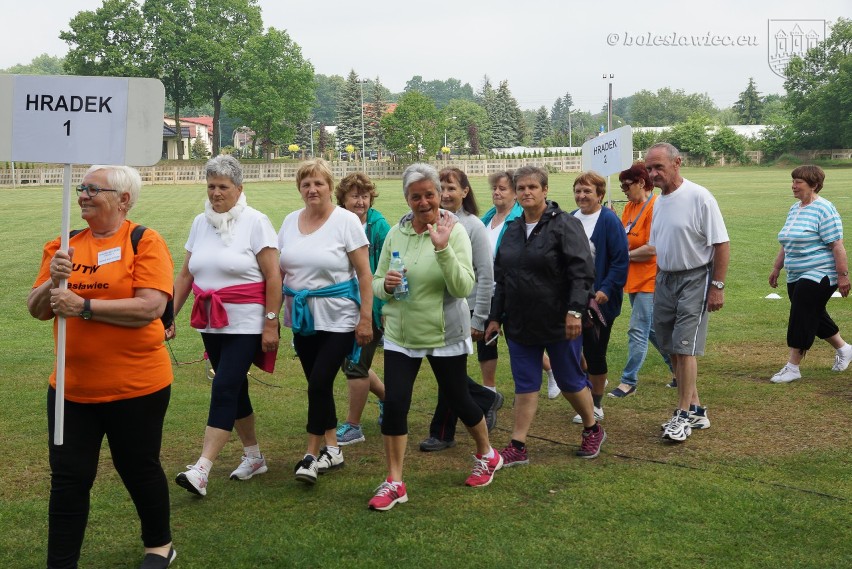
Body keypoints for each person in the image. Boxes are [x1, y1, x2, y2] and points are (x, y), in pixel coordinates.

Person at [28, 165, 176, 568]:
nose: (83, 195)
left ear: (123, 199)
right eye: (81, 188)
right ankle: (61, 562)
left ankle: (159, 545)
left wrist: (86, 307)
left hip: (137, 386)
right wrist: (50, 282)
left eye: (94, 189)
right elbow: (37, 309)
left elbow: (151, 307)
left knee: (138, 468)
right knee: (68, 479)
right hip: (71, 389)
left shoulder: (144, 241)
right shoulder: (62, 244)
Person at [368, 163, 502, 511]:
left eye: (430, 194)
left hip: (445, 331)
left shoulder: (453, 229)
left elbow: (463, 286)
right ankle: (395, 481)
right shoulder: (396, 233)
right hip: (401, 331)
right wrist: (386, 285)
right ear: (407, 199)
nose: (424, 201)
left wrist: (442, 249)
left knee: (459, 398)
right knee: (396, 402)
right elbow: (375, 282)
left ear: (440, 195)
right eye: (416, 196)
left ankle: (487, 454)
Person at [172, 155, 281, 497]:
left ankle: (202, 469)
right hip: (211, 322)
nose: (216, 193)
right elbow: (187, 274)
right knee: (236, 390)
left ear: (239, 188)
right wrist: (167, 316)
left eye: (222, 187)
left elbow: (273, 275)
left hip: (247, 323)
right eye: (211, 186)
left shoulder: (256, 222)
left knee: (224, 387)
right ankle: (254, 456)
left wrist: (271, 323)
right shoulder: (199, 223)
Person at [486, 166, 605, 467]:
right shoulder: (512, 230)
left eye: (532, 187)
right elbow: (502, 277)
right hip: (520, 322)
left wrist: (575, 311)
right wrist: (495, 316)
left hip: (560, 321)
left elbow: (582, 273)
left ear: (545, 190)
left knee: (568, 380)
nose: (527, 192)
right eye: (521, 188)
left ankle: (592, 427)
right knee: (525, 383)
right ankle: (517, 444)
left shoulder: (564, 225)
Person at [279, 159, 373, 484]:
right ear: (299, 189)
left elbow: (364, 273)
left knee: (319, 382)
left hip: (339, 318)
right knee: (318, 386)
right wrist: (269, 318)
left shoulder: (346, 221)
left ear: (329, 186)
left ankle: (310, 454)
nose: (312, 189)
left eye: (318, 183)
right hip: (303, 319)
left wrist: (365, 319)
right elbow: (280, 271)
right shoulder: (290, 222)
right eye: (306, 184)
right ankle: (334, 448)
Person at [645, 143, 730, 442]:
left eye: (659, 167)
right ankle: (696, 409)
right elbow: (659, 246)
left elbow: (721, 244)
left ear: (677, 162)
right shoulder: (658, 202)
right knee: (671, 347)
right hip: (665, 280)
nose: (653, 173)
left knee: (685, 347)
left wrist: (716, 287)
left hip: (696, 278)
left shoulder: (699, 196)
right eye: (649, 168)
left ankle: (681, 416)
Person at [419, 167, 503, 452]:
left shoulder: (472, 226)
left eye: (451, 188)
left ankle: (442, 432)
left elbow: (485, 275)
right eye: (440, 188)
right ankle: (485, 398)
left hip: (463, 310)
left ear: (465, 192)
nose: (445, 194)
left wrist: (479, 317)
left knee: (448, 372)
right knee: (447, 372)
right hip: (431, 310)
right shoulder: (426, 222)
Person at [768, 165, 852, 383]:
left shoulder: (824, 209)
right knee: (812, 313)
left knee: (801, 314)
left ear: (814, 185)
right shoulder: (794, 209)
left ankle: (793, 367)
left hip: (821, 272)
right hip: (796, 273)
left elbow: (837, 245)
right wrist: (777, 268)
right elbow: (786, 243)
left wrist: (843, 275)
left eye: (799, 182)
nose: (793, 185)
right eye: (793, 181)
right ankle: (844, 349)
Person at [610, 162, 674, 397]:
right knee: (652, 330)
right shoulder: (629, 207)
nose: (624, 190)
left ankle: (629, 381)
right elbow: (625, 238)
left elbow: (652, 248)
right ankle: (677, 369)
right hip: (632, 279)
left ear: (641, 183)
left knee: (637, 329)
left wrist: (624, 256)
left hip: (650, 279)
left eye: (627, 185)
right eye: (621, 186)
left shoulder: (655, 207)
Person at [569, 171, 628, 424]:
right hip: (572, 299)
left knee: (595, 351)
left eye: (587, 192)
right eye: (578, 191)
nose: (582, 196)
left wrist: (606, 289)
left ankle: (596, 404)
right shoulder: (570, 219)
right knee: (572, 349)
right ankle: (583, 393)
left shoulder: (609, 221)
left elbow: (619, 260)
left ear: (600, 195)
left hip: (600, 300)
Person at [333, 172, 388, 445]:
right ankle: (389, 399)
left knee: (356, 365)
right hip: (340, 305)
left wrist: (380, 306)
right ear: (342, 199)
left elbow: (390, 264)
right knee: (352, 363)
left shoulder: (378, 226)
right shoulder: (334, 222)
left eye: (365, 196)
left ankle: (353, 426)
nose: (360, 201)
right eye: (354, 196)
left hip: (371, 306)